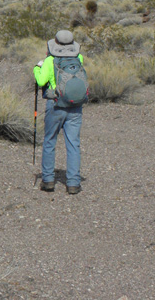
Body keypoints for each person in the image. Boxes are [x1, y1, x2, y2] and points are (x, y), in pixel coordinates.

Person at [33, 29, 86, 195]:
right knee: (73, 143)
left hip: (55, 104)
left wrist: (36, 68)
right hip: (75, 105)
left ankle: (48, 180)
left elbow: (41, 80)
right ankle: (73, 183)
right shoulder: (79, 58)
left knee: (49, 141)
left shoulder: (50, 60)